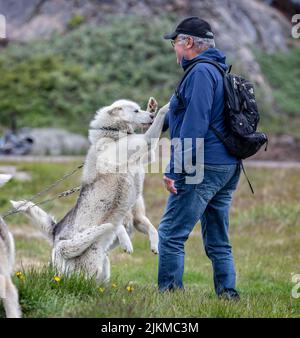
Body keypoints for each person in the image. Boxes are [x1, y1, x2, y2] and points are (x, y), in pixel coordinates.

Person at [158, 16, 241, 300]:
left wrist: (175, 170)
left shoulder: (200, 72)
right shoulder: (216, 69)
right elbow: (181, 113)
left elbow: (195, 123)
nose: (174, 50)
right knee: (218, 239)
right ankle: (228, 295)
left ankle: (169, 299)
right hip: (228, 165)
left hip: (204, 165)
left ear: (189, 42)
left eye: (175, 43)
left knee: (170, 234)